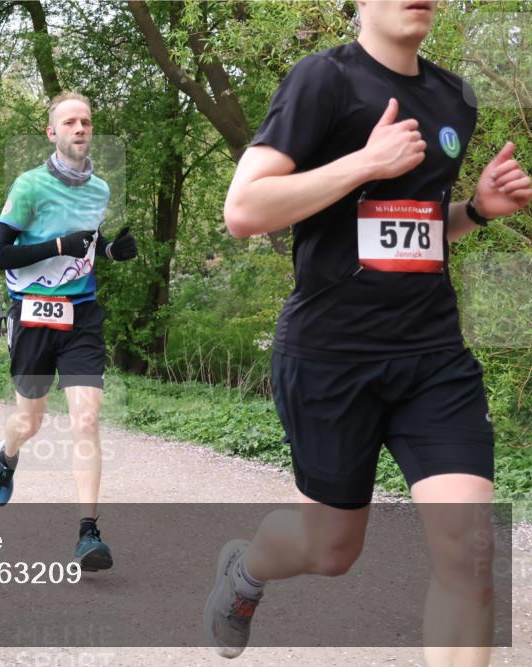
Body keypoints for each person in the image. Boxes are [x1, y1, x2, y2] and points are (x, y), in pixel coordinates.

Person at [205, 0, 532, 662]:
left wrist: (477, 210)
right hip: (332, 357)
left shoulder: (453, 98)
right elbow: (243, 210)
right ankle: (246, 567)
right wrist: (363, 162)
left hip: (432, 356)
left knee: (468, 552)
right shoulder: (323, 80)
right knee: (329, 550)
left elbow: (410, 229)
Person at [0, 92, 138, 571]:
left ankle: (88, 532)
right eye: (69, 122)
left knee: (86, 420)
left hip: (82, 314)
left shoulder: (101, 190)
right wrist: (55, 244)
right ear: (51, 133)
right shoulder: (29, 186)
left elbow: (87, 247)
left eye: (86, 122)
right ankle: (8, 455)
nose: (79, 128)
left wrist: (111, 252)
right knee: (28, 422)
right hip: (33, 313)